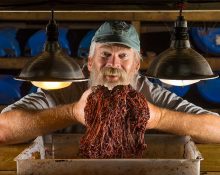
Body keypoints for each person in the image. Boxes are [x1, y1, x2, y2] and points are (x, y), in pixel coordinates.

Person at [0, 21, 220, 145]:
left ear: (136, 66)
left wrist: (158, 117)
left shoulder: (146, 91)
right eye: (105, 54)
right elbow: (3, 129)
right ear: (89, 62)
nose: (112, 64)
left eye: (123, 56)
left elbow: (216, 129)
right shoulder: (68, 88)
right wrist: (72, 113)